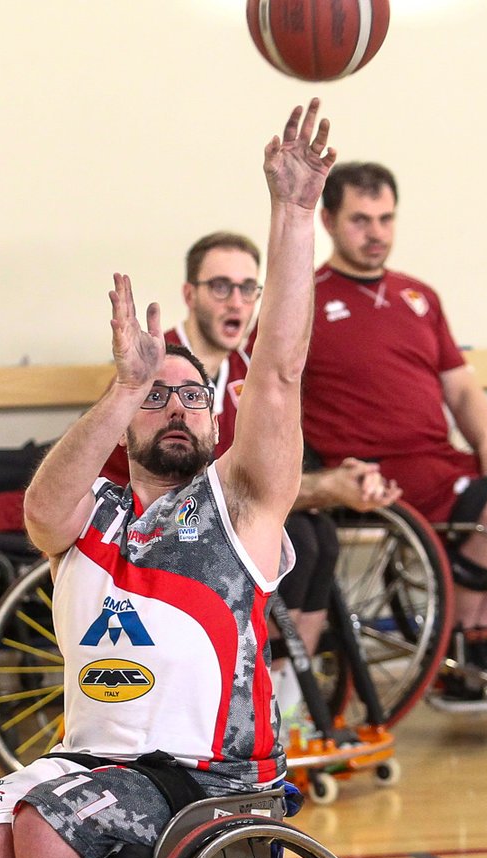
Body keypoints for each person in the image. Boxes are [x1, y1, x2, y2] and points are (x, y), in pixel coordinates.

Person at [0, 100, 336, 858]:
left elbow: (281, 372)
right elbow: (39, 512)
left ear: (215, 417)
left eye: (190, 395)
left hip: (211, 786)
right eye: (154, 396)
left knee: (46, 824)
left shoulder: (239, 505)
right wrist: (120, 388)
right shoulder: (93, 511)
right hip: (97, 768)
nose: (176, 407)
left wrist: (294, 212)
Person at [98, 229, 401, 717]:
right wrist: (321, 488)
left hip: (221, 514)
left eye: (247, 288)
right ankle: (255, 689)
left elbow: (268, 462)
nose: (236, 301)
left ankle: (282, 694)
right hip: (148, 519)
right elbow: (208, 480)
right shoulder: (161, 363)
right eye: (221, 287)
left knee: (317, 537)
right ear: (190, 294)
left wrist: (339, 478)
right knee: (296, 533)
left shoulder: (245, 369)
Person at [299, 161, 487, 669]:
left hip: (434, 458)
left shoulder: (420, 297)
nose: (376, 233)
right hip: (370, 467)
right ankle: (460, 652)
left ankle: (479, 638)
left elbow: (462, 389)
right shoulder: (303, 298)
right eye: (360, 220)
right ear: (328, 221)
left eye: (385, 219)